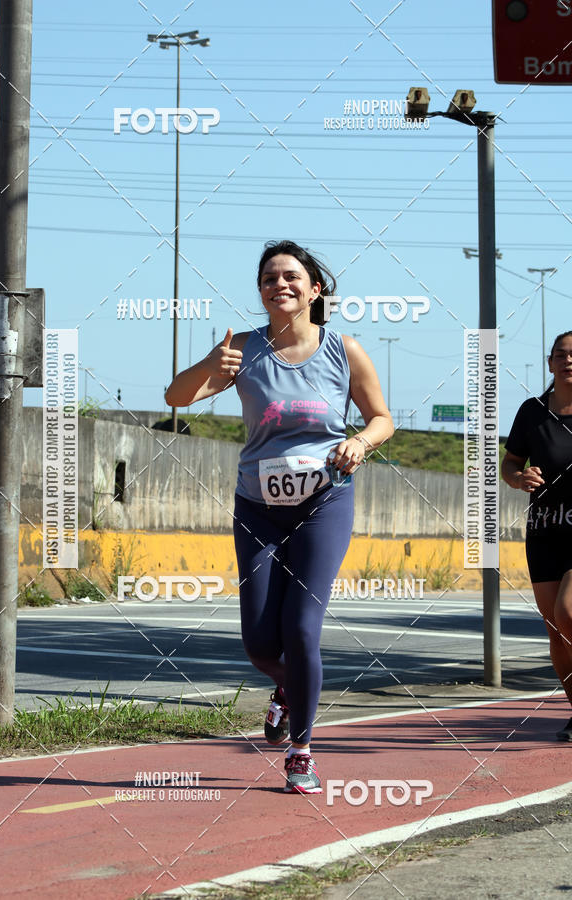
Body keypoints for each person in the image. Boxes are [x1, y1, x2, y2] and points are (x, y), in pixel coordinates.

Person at [165, 239, 394, 792]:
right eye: (269, 278)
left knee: (301, 629)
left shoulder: (344, 350)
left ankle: (301, 751)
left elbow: (383, 417)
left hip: (325, 502)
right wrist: (207, 366)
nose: (279, 284)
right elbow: (176, 397)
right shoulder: (242, 350)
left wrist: (361, 441)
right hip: (257, 507)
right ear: (261, 292)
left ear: (315, 290)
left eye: (291, 276)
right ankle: (289, 689)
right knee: (260, 644)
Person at [502, 330, 572, 740]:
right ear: (549, 364)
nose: (568, 361)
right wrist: (518, 477)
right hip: (544, 530)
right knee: (557, 631)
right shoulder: (532, 412)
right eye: (560, 355)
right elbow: (510, 464)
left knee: (569, 612)